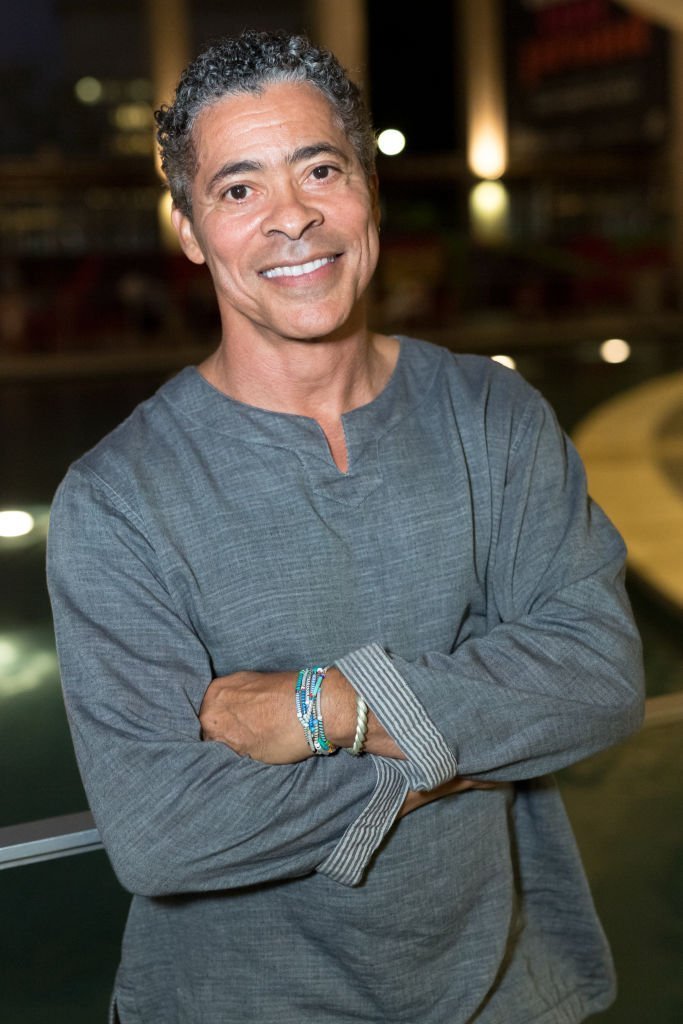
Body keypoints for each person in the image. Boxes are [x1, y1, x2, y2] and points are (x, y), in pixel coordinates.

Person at [47, 29, 644, 1024]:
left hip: (503, 995)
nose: (293, 217)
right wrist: (446, 751)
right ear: (190, 228)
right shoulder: (118, 496)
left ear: (365, 186)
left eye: (319, 167)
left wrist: (329, 707)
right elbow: (162, 830)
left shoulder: (492, 420)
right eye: (238, 188)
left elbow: (599, 681)